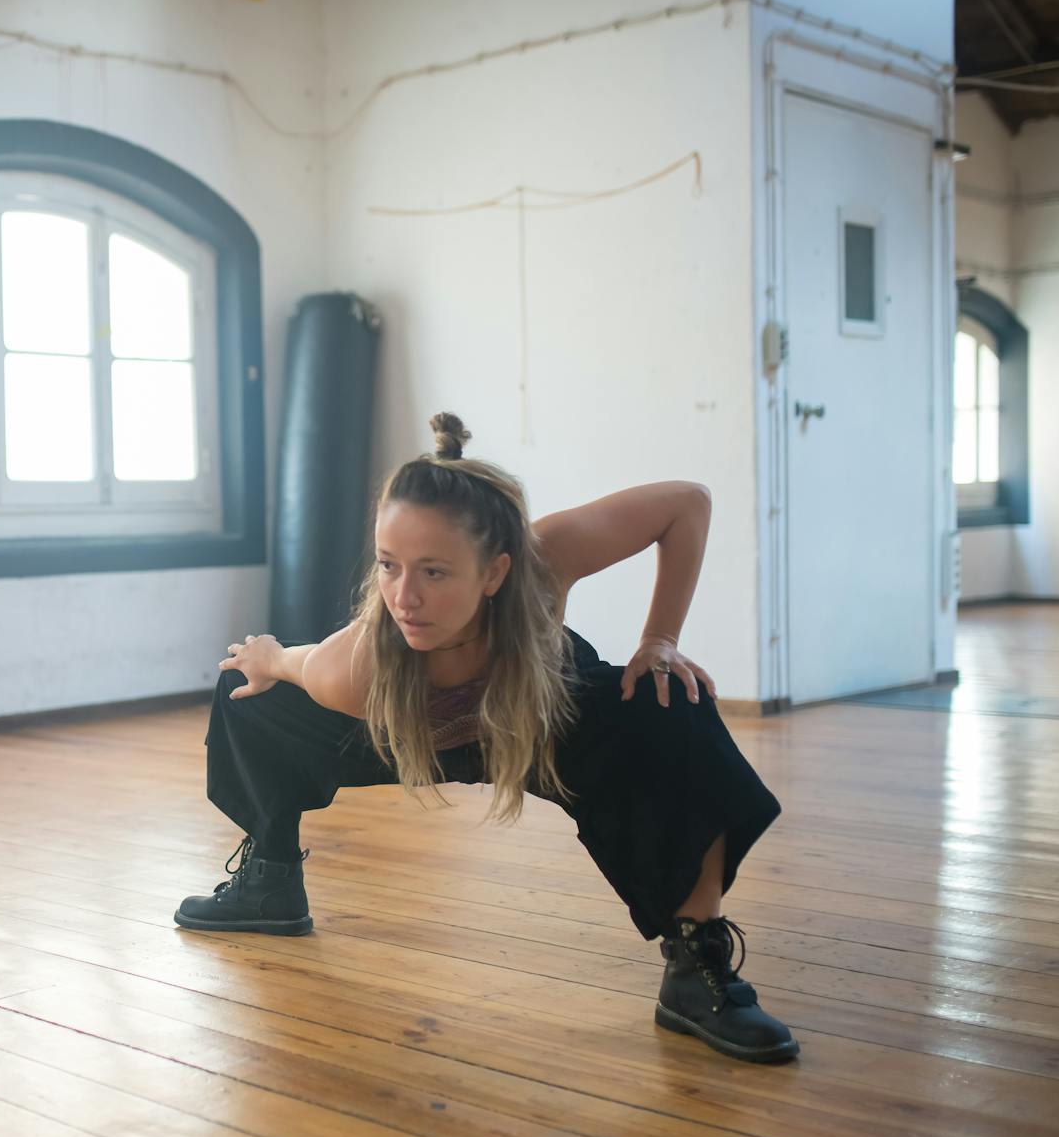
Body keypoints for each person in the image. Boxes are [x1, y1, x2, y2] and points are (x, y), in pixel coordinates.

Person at [175, 413, 798, 1064]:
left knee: (670, 701)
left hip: (544, 714)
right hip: (420, 728)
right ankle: (270, 881)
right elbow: (291, 662)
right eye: (389, 566)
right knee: (248, 692)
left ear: (496, 571)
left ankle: (695, 961)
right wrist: (267, 656)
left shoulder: (543, 557)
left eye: (434, 572)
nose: (404, 597)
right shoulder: (354, 666)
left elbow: (685, 504)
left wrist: (661, 640)